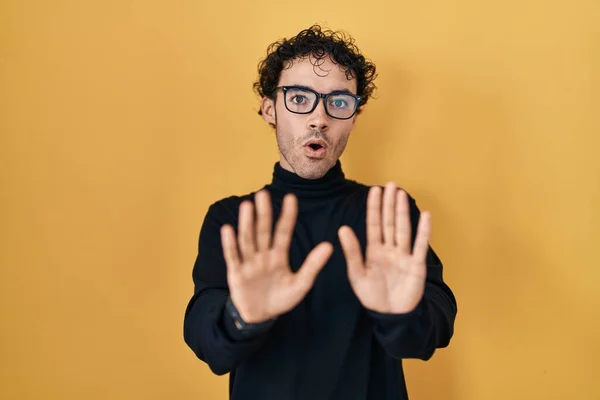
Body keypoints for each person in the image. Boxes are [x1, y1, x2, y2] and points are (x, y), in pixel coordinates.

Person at [183, 24, 458, 400]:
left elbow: (434, 328)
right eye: (299, 98)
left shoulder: (387, 214)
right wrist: (241, 316)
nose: (319, 118)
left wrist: (403, 314)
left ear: (354, 116)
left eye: (339, 102)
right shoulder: (233, 219)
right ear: (270, 109)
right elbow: (208, 343)